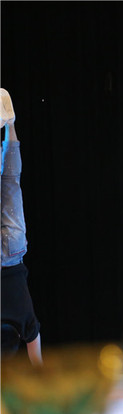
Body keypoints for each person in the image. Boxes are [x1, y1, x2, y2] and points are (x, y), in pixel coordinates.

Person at [1, 88, 43, 365]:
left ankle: (10, 124)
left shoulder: (26, 324)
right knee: (7, 182)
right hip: (8, 258)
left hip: (14, 252)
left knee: (11, 182)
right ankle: (6, 123)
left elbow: (38, 364)